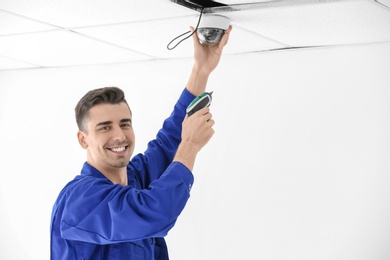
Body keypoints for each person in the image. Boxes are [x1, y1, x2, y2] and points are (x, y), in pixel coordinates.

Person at [50, 25, 232, 260]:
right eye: (105, 127)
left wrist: (201, 70)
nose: (119, 135)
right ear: (83, 139)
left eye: (124, 123)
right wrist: (190, 145)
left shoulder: (135, 179)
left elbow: (169, 142)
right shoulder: (79, 200)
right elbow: (156, 210)